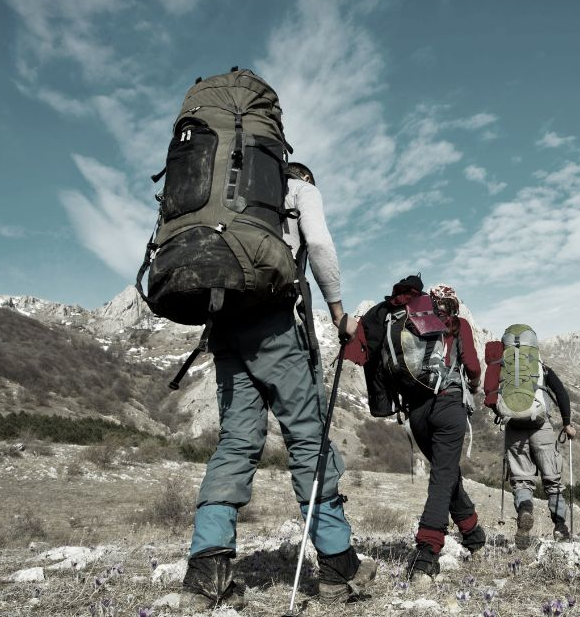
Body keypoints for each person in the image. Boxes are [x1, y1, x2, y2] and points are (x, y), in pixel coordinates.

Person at [181, 162, 375, 608]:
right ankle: (337, 564)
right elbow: (321, 245)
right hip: (275, 326)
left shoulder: (227, 196)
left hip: (225, 325)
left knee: (234, 442)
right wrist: (338, 311)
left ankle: (207, 568)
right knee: (308, 438)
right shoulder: (297, 189)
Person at [359, 276, 485, 586]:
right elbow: (472, 365)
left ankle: (472, 532)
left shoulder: (412, 324)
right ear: (454, 306)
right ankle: (427, 549)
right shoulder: (459, 326)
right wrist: (474, 384)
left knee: (445, 471)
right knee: (443, 474)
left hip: (417, 413)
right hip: (448, 405)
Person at [486, 325, 577, 546]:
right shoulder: (540, 366)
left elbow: (489, 394)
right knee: (553, 481)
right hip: (541, 427)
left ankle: (525, 516)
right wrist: (567, 424)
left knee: (521, 481)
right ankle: (560, 528)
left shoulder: (502, 365)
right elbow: (561, 393)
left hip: (514, 429)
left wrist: (502, 413)